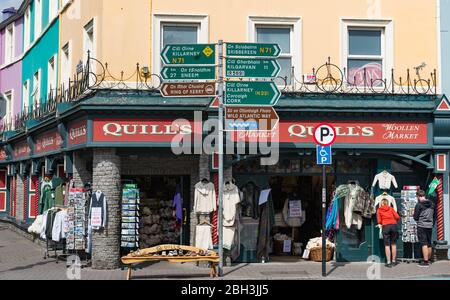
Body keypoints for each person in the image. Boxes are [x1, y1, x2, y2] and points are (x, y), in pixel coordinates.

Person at [414, 190, 436, 267]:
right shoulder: (432, 204)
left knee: (423, 243)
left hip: (421, 226)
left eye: (417, 197)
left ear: (419, 196)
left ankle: (425, 262)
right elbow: (434, 216)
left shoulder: (419, 205)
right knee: (428, 243)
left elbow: (416, 217)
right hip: (429, 226)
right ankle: (429, 260)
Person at [377, 198, 401, 267]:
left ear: (381, 203)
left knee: (387, 245)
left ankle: (388, 262)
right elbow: (397, 216)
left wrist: (383, 221)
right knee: (393, 244)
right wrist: (394, 220)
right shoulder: (391, 208)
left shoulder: (379, 210)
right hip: (393, 226)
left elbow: (379, 221)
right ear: (387, 203)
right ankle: (394, 261)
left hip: (386, 226)